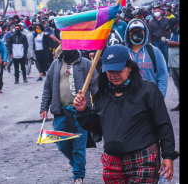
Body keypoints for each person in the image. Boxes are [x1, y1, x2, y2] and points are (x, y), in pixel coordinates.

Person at [74, 44, 179, 184]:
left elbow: (164, 125)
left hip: (144, 160)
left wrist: (168, 156)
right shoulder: (102, 94)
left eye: (118, 69)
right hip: (112, 163)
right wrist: (82, 111)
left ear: (129, 66)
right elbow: (98, 127)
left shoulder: (148, 90)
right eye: (109, 71)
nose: (114, 74)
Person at [40, 49, 98, 184]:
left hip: (81, 113)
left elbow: (95, 86)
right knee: (62, 144)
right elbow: (47, 87)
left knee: (79, 146)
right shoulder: (55, 64)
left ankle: (78, 176)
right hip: (61, 113)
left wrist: (98, 108)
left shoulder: (86, 64)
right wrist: (44, 107)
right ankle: (78, 162)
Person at [124, 18, 168, 98]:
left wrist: (160, 97)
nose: (137, 33)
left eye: (140, 31)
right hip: (128, 98)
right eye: (133, 31)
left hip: (150, 97)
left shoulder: (154, 51)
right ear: (128, 34)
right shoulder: (123, 52)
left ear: (144, 33)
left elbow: (162, 76)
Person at [148, 5, 171, 73]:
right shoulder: (151, 21)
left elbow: (169, 30)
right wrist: (150, 41)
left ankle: (168, 70)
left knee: (166, 56)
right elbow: (149, 32)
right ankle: (159, 70)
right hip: (155, 40)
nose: (156, 12)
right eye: (155, 11)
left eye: (157, 11)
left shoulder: (166, 19)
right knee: (157, 57)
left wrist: (168, 38)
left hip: (164, 41)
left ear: (160, 11)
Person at [166, 18, 179, 111]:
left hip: (178, 63)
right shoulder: (173, 33)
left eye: (172, 26)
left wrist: (176, 44)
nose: (171, 29)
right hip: (173, 63)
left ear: (177, 24)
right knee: (178, 84)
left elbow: (176, 44)